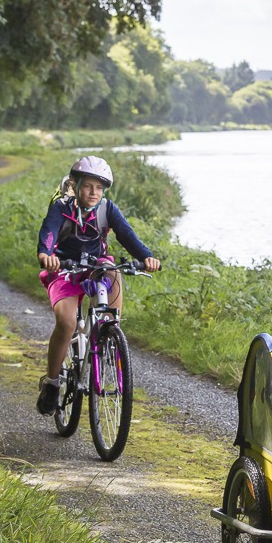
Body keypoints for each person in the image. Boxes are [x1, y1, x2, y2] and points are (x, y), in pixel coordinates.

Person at [35, 155, 161, 415]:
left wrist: (146, 257)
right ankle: (52, 382)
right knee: (68, 322)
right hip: (64, 266)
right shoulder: (61, 207)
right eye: (87, 186)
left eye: (99, 188)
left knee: (112, 302)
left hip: (97, 264)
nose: (93, 193)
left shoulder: (107, 209)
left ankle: (107, 346)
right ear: (76, 185)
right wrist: (46, 254)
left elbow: (127, 235)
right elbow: (49, 230)